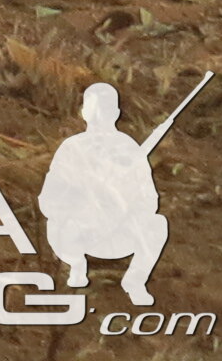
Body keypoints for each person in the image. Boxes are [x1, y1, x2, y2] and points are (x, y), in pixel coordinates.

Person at [38, 82, 171, 308]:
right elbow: (49, 198)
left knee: (157, 225)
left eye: (105, 110)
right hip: (78, 232)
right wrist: (82, 197)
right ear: (84, 112)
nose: (99, 116)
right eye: (94, 109)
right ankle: (75, 266)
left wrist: (122, 203)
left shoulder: (129, 149)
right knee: (61, 226)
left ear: (116, 113)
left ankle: (135, 281)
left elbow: (150, 200)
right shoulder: (72, 147)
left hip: (117, 232)